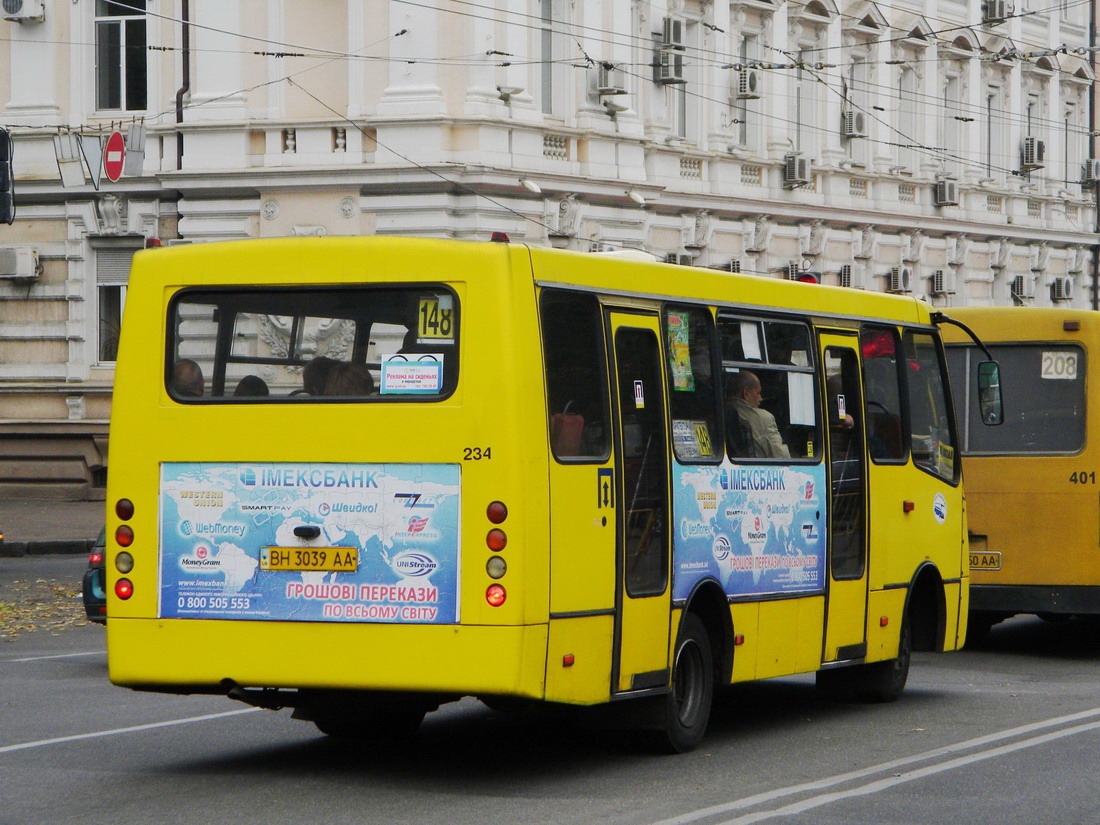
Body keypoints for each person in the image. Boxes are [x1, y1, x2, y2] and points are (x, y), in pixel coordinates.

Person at [727, 369, 789, 459]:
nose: (760, 399)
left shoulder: (721, 411)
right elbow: (782, 458)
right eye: (758, 393)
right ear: (746, 392)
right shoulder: (763, 418)